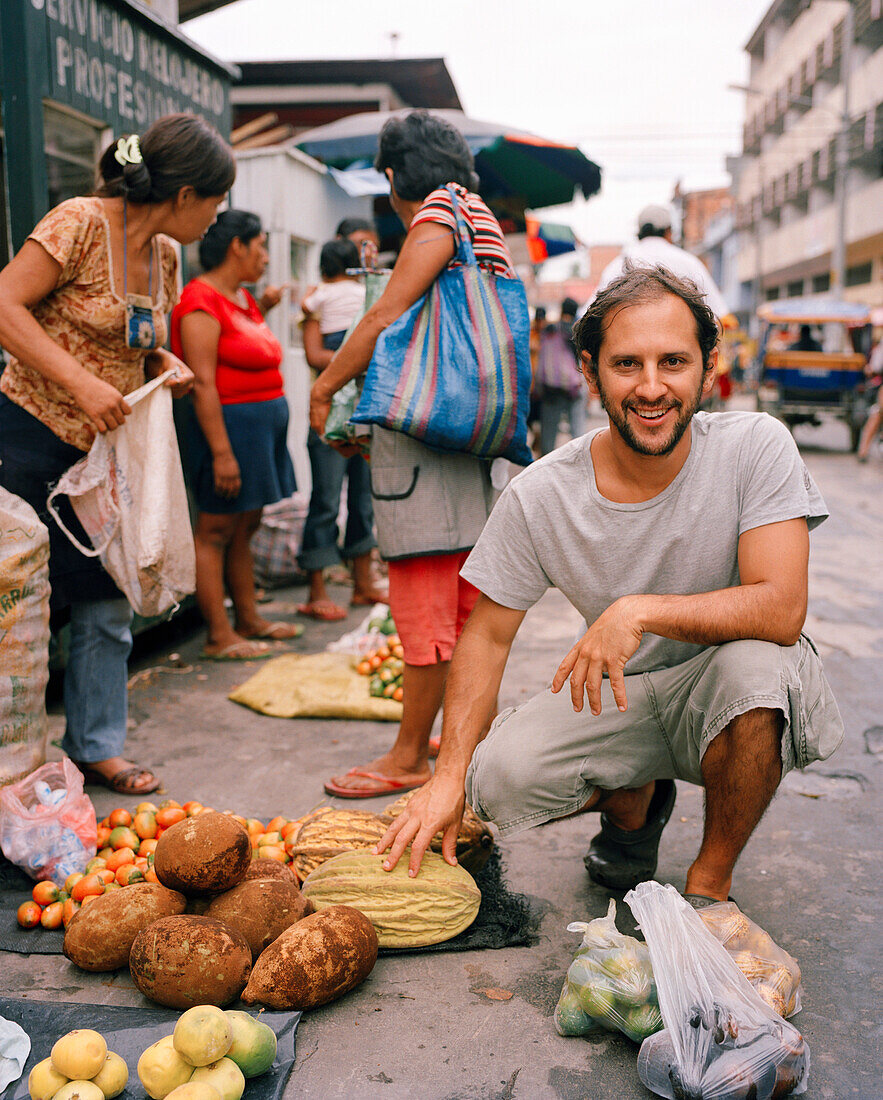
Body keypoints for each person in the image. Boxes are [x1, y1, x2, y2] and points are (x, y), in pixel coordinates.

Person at [376, 264, 843, 910]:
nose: (651, 388)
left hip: (727, 693)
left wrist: (638, 611)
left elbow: (780, 606)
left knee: (755, 671)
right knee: (496, 777)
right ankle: (633, 805)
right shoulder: (540, 493)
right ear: (590, 373)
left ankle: (710, 883)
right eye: (627, 365)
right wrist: (446, 776)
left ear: (707, 369)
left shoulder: (754, 446)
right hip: (623, 698)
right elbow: (484, 635)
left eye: (673, 362)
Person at [0, 112, 233, 795]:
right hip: (24, 437)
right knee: (20, 608)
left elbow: (133, 336)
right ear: (185, 194)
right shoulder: (78, 222)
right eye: (214, 204)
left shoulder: (164, 255)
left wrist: (160, 357)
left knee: (106, 602)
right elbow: (6, 306)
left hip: (102, 460)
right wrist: (79, 380)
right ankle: (18, 761)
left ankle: (95, 745)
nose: (215, 220)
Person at [310, 109, 517, 798]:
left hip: (426, 443)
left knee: (425, 611)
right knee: (462, 612)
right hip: (471, 439)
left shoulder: (436, 217)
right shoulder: (481, 217)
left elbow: (383, 316)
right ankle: (462, 751)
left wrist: (326, 385)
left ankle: (407, 757)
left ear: (394, 176)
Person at [170, 210, 300, 660]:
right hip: (227, 432)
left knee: (246, 525)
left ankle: (248, 619)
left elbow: (241, 347)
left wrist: (262, 308)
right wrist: (222, 453)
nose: (265, 256)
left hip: (258, 431)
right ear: (236, 247)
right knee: (216, 529)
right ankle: (218, 635)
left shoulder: (240, 298)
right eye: (260, 245)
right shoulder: (199, 300)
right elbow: (202, 382)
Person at [297, 239, 386, 620]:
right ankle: (358, 584)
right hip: (359, 405)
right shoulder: (369, 296)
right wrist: (357, 357)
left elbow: (314, 354)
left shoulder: (317, 298)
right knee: (358, 499)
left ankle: (326, 588)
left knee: (328, 500)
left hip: (335, 406)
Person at [590, 204, 729, 321]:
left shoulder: (620, 264)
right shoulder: (689, 262)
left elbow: (589, 312)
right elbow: (722, 316)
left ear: (639, 232)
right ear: (669, 232)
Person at [536, 297, 587, 454]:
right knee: (577, 430)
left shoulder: (550, 330)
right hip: (574, 386)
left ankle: (545, 464)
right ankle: (579, 460)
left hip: (551, 388)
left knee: (549, 433)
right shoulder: (578, 331)